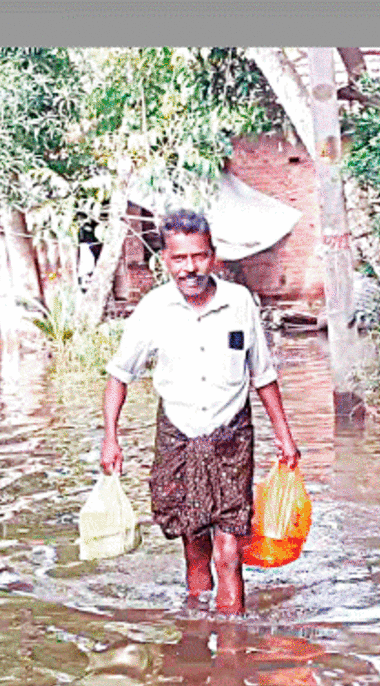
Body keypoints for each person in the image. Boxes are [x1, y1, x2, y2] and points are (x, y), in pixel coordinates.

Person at [101, 209, 299, 615]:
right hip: (179, 437)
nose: (190, 267)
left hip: (231, 436)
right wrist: (110, 438)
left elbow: (262, 375)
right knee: (195, 549)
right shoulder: (154, 310)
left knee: (230, 550)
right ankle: (196, 637)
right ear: (165, 260)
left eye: (199, 256)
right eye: (179, 258)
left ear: (213, 255)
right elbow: (119, 376)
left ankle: (230, 657)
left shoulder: (239, 302)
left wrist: (284, 434)